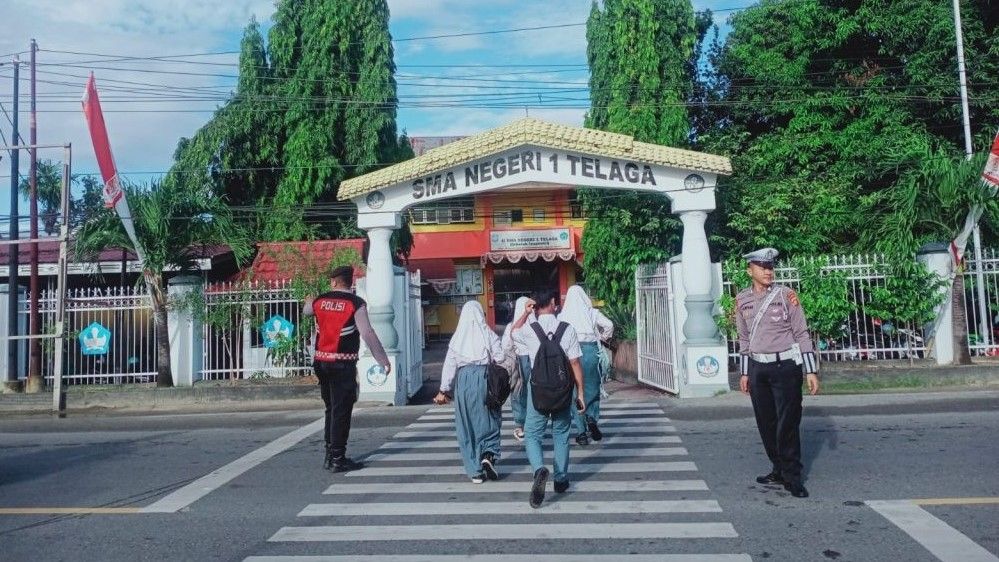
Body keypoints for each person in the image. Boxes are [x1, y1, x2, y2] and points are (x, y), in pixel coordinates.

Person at [736, 248, 820, 498]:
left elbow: (802, 333)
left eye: (771, 267)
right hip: (758, 368)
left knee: (788, 423)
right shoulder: (741, 300)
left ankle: (793, 476)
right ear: (750, 270)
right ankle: (778, 468)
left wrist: (810, 371)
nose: (768, 271)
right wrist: (744, 373)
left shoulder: (786, 296)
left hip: (786, 367)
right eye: (762, 267)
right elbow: (743, 338)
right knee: (766, 422)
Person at [303, 265, 391, 473]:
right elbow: (367, 332)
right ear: (350, 282)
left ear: (334, 282)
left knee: (331, 408)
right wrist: (382, 359)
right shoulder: (356, 303)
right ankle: (338, 458)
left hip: (321, 363)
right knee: (342, 411)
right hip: (343, 365)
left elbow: (307, 311)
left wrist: (309, 300)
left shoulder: (319, 301)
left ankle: (329, 454)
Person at [512, 288, 586, 508]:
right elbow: (575, 363)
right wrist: (580, 392)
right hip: (563, 391)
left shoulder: (529, 329)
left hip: (539, 392)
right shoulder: (567, 329)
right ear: (553, 303)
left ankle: (539, 469)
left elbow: (512, 333)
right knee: (561, 434)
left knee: (532, 434)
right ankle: (561, 479)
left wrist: (526, 314)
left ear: (536, 305)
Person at [433, 301, 505, 483]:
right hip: (485, 378)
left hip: (464, 381)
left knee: (466, 424)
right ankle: (488, 455)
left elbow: (449, 367)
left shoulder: (457, 339)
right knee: (491, 417)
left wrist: (443, 390)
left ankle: (475, 471)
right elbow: (500, 357)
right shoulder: (488, 334)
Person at [559, 285, 614, 445]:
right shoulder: (592, 312)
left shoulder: (562, 316)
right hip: (590, 352)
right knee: (592, 388)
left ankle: (581, 432)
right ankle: (592, 418)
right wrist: (603, 337)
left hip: (571, 355)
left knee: (575, 393)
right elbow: (609, 324)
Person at [502, 296, 534, 442]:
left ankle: (520, 426)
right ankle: (533, 423)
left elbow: (505, 347)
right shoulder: (535, 324)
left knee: (518, 393)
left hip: (517, 362)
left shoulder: (511, 326)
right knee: (533, 393)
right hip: (534, 362)